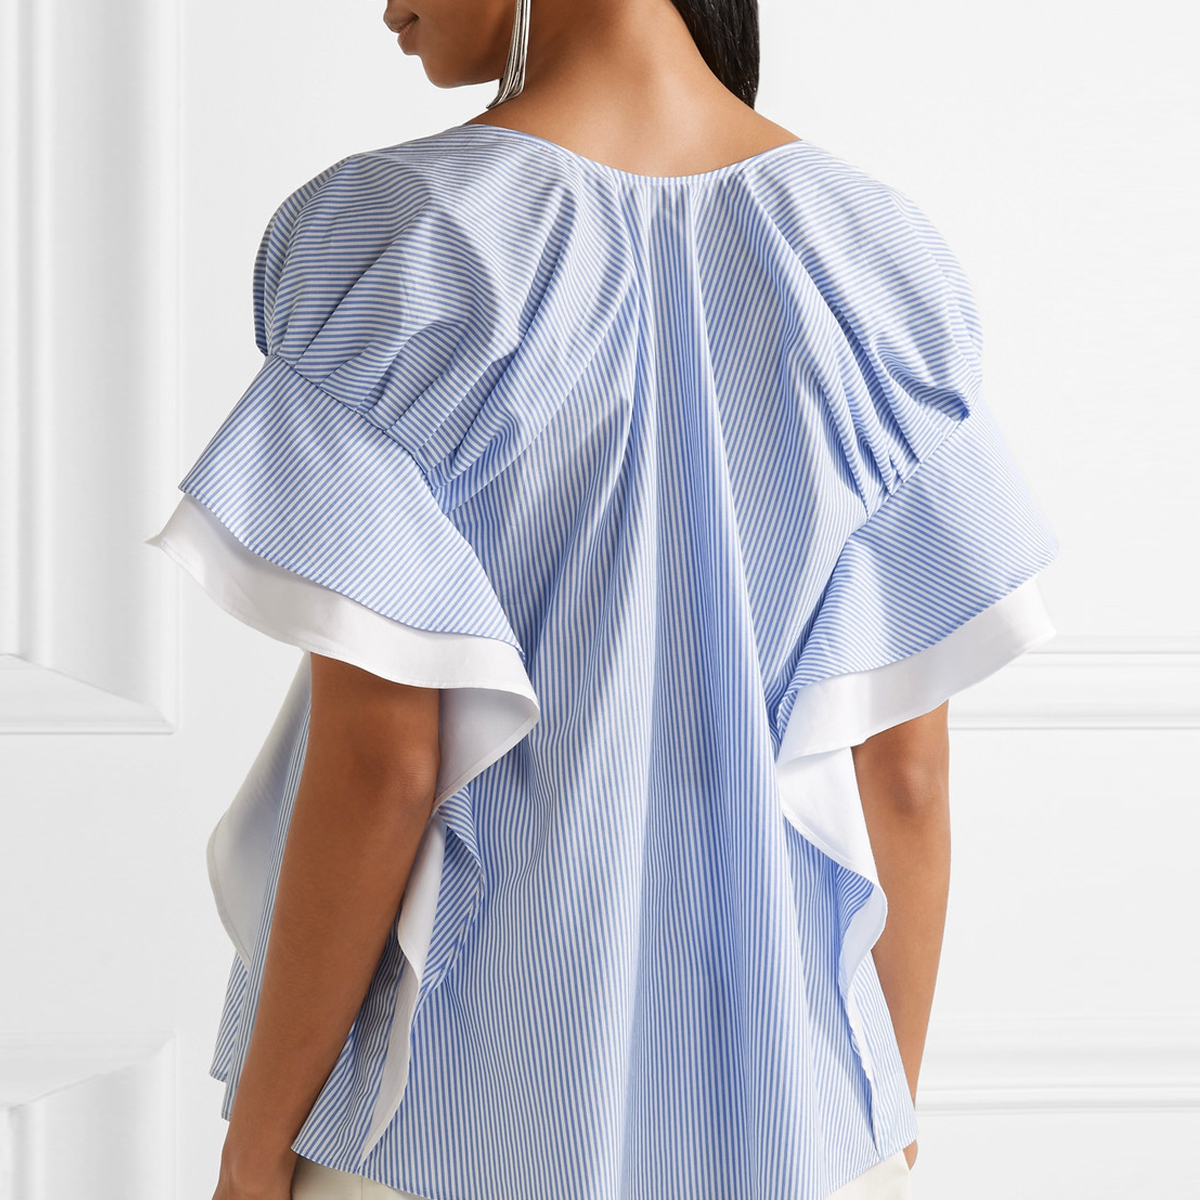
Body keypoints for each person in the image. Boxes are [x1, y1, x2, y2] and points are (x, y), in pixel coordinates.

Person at [146, 0, 1061, 1197]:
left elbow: (386, 765)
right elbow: (907, 778)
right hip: (809, 1133)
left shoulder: (404, 236)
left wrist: (254, 1154)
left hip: (445, 1129)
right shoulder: (873, 257)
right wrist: (879, 1117)